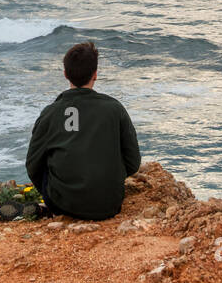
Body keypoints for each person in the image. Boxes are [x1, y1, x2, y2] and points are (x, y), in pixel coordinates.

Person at [26, 40, 140, 220]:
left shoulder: (50, 113)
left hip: (62, 204)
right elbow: (133, 162)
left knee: (47, 158)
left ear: (65, 74)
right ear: (95, 74)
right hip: (109, 205)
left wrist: (51, 193)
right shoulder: (114, 109)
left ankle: (49, 208)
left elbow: (33, 165)